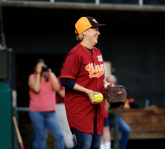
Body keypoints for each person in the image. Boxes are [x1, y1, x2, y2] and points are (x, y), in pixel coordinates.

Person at [60, 16, 109, 149]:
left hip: (96, 109)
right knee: (84, 146)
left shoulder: (98, 52)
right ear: (85, 31)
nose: (98, 32)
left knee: (95, 147)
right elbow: (65, 80)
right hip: (80, 108)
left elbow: (99, 77)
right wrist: (88, 91)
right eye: (95, 29)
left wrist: (108, 86)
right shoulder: (75, 54)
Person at [28, 59, 64, 149]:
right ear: (35, 68)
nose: (42, 68)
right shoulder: (32, 77)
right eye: (39, 66)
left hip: (50, 113)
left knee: (60, 135)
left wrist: (51, 75)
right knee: (41, 136)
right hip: (36, 112)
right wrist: (38, 75)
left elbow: (57, 87)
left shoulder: (50, 76)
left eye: (43, 66)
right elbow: (36, 89)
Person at [106, 75, 131, 149]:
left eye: (113, 83)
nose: (112, 85)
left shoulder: (117, 91)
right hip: (106, 117)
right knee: (106, 134)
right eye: (110, 83)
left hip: (115, 116)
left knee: (126, 130)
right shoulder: (103, 90)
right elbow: (107, 105)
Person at [56, 63, 75, 149]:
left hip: (72, 106)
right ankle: (69, 147)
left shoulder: (73, 80)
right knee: (67, 129)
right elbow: (62, 94)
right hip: (60, 106)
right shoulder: (58, 79)